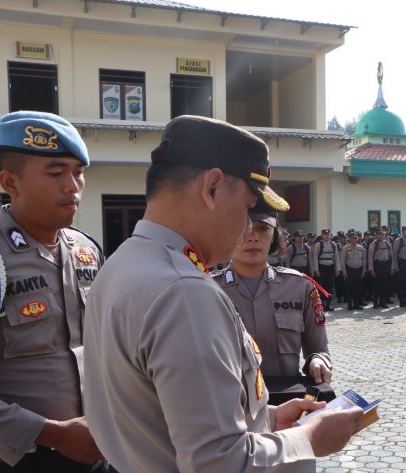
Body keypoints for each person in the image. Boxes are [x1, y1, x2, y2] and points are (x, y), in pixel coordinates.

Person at [82, 116, 361, 473]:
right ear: (211, 188)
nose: (247, 227)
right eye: (247, 208)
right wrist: (308, 439)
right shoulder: (184, 293)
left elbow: (166, 415)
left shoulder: (121, 264)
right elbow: (218, 462)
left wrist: (266, 419)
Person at [0, 111, 106, 472]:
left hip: (98, 454)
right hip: (18, 460)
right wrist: (51, 433)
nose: (72, 186)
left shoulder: (87, 251)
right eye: (56, 173)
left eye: (78, 172)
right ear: (11, 181)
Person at [214, 206, 333, 400]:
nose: (253, 237)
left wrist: (318, 361)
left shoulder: (299, 287)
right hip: (231, 405)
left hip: (290, 398)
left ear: (274, 235)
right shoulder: (208, 290)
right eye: (244, 228)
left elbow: (318, 349)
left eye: (262, 229)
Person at [311, 229, 341, 311]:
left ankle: (328, 304)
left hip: (330, 267)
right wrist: (316, 270)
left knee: (330, 287)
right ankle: (322, 305)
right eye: (325, 234)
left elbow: (337, 257)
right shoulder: (318, 244)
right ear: (322, 235)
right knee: (321, 287)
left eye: (328, 234)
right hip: (321, 267)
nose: (327, 236)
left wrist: (338, 269)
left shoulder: (333, 244)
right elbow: (315, 258)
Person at [368, 228, 394, 308]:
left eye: (383, 234)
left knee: (385, 285)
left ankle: (383, 302)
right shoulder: (373, 244)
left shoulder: (387, 244)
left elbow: (391, 256)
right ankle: (376, 303)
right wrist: (371, 269)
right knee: (376, 286)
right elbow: (370, 257)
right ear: (377, 235)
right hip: (377, 266)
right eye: (380, 234)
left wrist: (392, 267)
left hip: (386, 265)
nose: (382, 236)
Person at [341, 232, 367, 310]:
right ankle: (350, 304)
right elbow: (342, 261)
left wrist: (363, 271)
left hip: (358, 270)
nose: (354, 239)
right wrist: (344, 272)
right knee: (349, 288)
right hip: (349, 270)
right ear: (349, 239)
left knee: (357, 288)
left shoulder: (361, 248)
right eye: (353, 238)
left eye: (356, 238)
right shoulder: (345, 248)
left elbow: (364, 260)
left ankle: (356, 304)